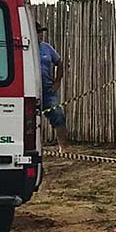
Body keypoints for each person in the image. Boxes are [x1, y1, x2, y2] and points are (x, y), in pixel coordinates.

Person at [37, 22, 68, 153]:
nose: (41, 35)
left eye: (41, 32)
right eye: (38, 32)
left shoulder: (46, 48)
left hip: (48, 89)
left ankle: (63, 147)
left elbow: (59, 62)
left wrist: (57, 82)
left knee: (58, 115)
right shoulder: (26, 47)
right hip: (30, 89)